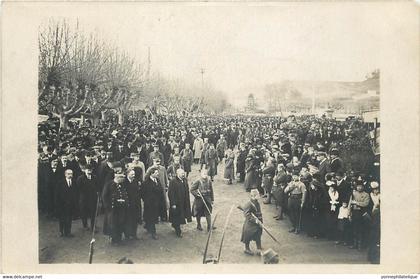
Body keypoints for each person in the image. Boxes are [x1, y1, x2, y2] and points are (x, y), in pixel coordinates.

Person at [141, 167, 166, 240]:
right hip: (149, 204)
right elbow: (142, 193)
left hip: (157, 203)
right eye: (156, 173)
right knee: (152, 217)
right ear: (151, 174)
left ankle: (148, 227)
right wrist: (147, 200)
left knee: (152, 217)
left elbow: (160, 190)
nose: (158, 174)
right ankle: (153, 233)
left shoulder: (157, 180)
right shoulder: (146, 182)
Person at [168, 168, 192, 237]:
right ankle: (178, 231)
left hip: (184, 202)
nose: (183, 174)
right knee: (177, 217)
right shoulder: (173, 181)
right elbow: (170, 193)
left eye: (183, 173)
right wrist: (173, 203)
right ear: (177, 174)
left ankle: (175, 225)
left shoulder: (184, 180)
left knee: (180, 216)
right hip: (177, 203)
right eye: (182, 173)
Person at [55, 169, 77, 237]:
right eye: (68, 174)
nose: (70, 175)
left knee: (69, 218)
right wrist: (57, 205)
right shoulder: (60, 183)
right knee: (62, 219)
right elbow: (57, 195)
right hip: (62, 204)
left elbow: (75, 193)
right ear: (65, 174)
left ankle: (68, 232)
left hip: (70, 204)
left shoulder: (74, 182)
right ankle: (61, 231)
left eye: (71, 174)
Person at [240, 189, 263, 256]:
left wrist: (260, 221)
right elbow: (247, 214)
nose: (259, 195)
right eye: (258, 194)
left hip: (258, 223)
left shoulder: (256, 202)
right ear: (254, 196)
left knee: (258, 235)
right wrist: (255, 220)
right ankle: (246, 249)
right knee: (248, 236)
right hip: (250, 224)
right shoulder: (249, 204)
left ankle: (259, 248)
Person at [76, 166, 99, 231]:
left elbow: (97, 186)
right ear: (84, 170)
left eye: (90, 170)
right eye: (88, 170)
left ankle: (93, 226)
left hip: (92, 198)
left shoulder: (95, 177)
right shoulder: (80, 178)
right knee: (84, 212)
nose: (89, 171)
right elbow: (78, 189)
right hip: (84, 198)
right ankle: (85, 225)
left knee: (93, 213)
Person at [349, 181, 370, 250]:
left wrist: (357, 203)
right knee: (354, 229)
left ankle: (360, 245)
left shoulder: (366, 194)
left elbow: (366, 203)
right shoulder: (354, 194)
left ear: (363, 187)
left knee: (361, 229)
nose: (359, 187)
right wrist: (349, 213)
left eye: (361, 186)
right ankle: (355, 244)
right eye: (358, 186)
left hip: (361, 213)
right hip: (354, 213)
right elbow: (350, 203)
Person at [125, 169, 141, 240]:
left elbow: (138, 191)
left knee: (135, 219)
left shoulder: (135, 181)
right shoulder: (124, 182)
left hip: (135, 203)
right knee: (128, 220)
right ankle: (127, 235)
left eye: (134, 174)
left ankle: (134, 234)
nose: (133, 176)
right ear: (128, 174)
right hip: (128, 204)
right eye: (132, 174)